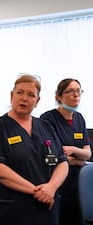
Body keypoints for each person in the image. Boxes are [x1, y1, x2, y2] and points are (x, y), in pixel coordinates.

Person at [0, 74, 69, 225]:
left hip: (46, 211)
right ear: (12, 95)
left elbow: (62, 163)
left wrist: (51, 188)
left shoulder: (46, 126)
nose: (24, 98)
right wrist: (37, 192)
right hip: (11, 211)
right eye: (20, 92)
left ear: (37, 101)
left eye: (31, 95)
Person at [40, 78, 92, 225]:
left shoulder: (79, 118)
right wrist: (78, 160)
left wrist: (74, 150)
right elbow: (52, 157)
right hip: (57, 185)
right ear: (59, 96)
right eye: (70, 91)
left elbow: (88, 153)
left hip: (79, 186)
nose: (76, 95)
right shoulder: (48, 119)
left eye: (78, 91)